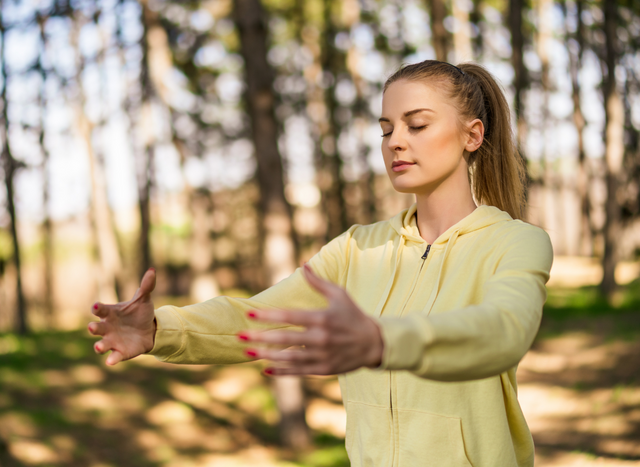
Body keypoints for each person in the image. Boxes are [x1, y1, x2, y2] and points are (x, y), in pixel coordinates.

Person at [88, 60, 553, 467]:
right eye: (386, 128)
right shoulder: (357, 248)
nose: (395, 142)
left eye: (417, 125)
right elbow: (261, 318)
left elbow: (502, 331)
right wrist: (159, 331)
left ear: (472, 135)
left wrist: (382, 341)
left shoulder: (516, 243)